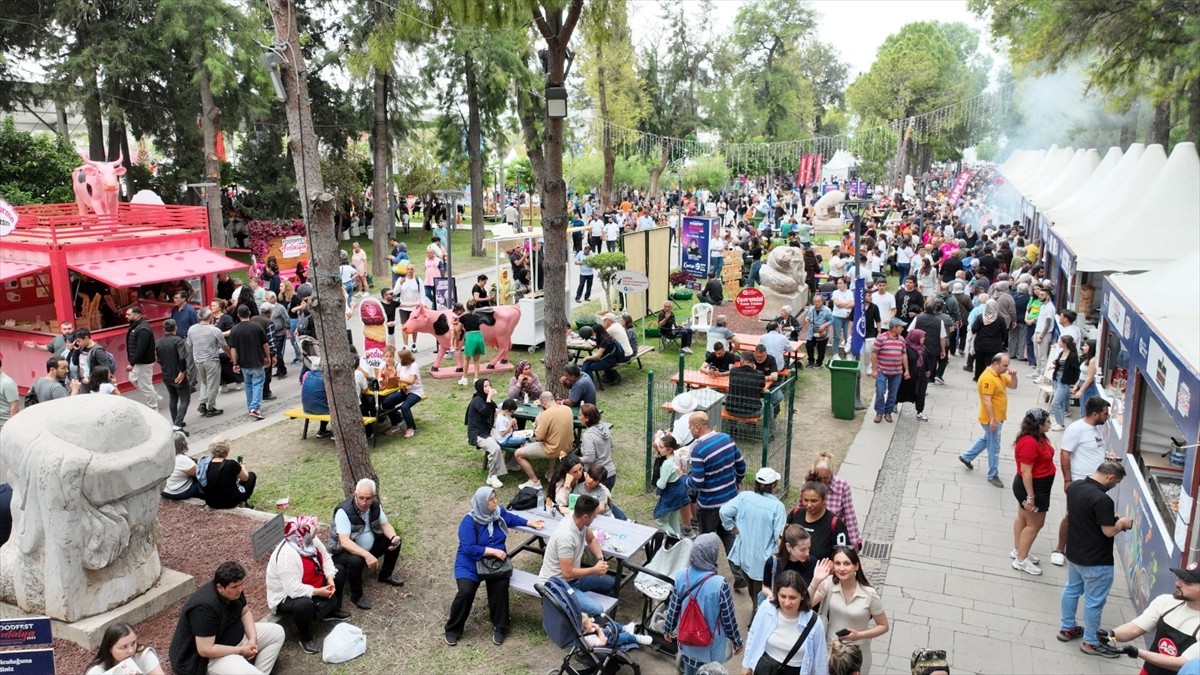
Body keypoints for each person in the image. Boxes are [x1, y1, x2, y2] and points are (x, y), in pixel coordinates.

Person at [1058, 462, 1134, 657]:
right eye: (1115, 482)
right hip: (1096, 560)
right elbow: (1108, 531)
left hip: (1074, 553)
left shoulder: (1075, 487)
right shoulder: (1102, 500)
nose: (1114, 486)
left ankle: (1067, 628)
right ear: (1110, 477)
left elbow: (1084, 515)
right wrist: (1122, 523)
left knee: (1071, 589)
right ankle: (1091, 642)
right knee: (1094, 602)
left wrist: (1110, 517)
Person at [168, 561, 285, 675]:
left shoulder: (235, 590)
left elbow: (245, 612)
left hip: (237, 641)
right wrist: (240, 650)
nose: (240, 589)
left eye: (241, 584)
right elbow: (205, 649)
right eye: (234, 587)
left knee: (277, 633)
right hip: (210, 658)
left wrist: (252, 639)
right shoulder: (204, 608)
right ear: (220, 587)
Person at [266, 515, 349, 655]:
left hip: (310, 581)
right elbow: (293, 590)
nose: (315, 534)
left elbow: (327, 558)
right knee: (303, 604)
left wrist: (330, 578)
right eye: (313, 531)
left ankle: (332, 611)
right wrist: (318, 592)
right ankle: (306, 638)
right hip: (286, 595)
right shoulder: (288, 556)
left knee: (339, 571)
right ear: (301, 534)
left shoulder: (309, 540)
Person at [663, 533, 744, 675]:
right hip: (711, 646)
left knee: (689, 670)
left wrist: (667, 628)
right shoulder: (719, 584)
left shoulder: (682, 575)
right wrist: (736, 640)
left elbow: (673, 607)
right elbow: (728, 619)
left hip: (687, 641)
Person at [1050, 396, 1117, 567]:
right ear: (1095, 414)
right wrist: (1068, 480)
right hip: (1080, 482)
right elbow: (1065, 454)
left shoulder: (1094, 429)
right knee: (1071, 515)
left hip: (1095, 484)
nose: (1107, 416)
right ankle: (1059, 549)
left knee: (1086, 518)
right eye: (1105, 413)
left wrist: (1106, 456)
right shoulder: (1076, 429)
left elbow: (1091, 451)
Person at [1095, 561, 1200, 667]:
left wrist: (1137, 652)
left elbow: (1182, 663)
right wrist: (1111, 636)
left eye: (1187, 582)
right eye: (1179, 578)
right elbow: (1134, 629)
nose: (1177, 584)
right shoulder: (1165, 602)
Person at [329, 478, 405, 611]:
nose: (364, 502)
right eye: (361, 498)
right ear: (355, 494)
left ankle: (385, 575)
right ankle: (356, 596)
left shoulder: (375, 506)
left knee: (394, 542)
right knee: (356, 560)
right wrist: (366, 555)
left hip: (369, 547)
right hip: (342, 552)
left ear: (373, 497)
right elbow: (345, 542)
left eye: (368, 498)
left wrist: (394, 537)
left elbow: (385, 525)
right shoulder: (344, 512)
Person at [810, 547, 888, 674]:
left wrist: (859, 635)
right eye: (837, 563)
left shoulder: (869, 594)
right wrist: (815, 580)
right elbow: (805, 605)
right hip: (831, 651)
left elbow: (883, 626)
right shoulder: (829, 584)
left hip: (857, 653)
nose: (841, 568)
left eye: (847, 563)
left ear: (856, 566)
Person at [537, 494, 616, 618]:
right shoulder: (566, 537)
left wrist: (600, 559)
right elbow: (567, 573)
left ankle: (581, 606)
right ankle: (578, 618)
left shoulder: (579, 522)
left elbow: (591, 540)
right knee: (597, 609)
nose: (595, 517)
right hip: (558, 585)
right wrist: (595, 570)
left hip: (573, 579)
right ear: (585, 516)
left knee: (611, 583)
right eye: (594, 515)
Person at [741, 570, 829, 675]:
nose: (787, 603)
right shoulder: (767, 608)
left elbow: (820, 660)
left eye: (792, 598)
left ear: (802, 596)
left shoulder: (814, 623)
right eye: (783, 596)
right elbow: (753, 634)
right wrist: (746, 665)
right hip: (765, 668)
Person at [720, 467, 788, 603]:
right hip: (763, 561)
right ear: (773, 486)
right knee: (761, 594)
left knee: (752, 589)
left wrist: (732, 527)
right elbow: (778, 536)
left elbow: (724, 511)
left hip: (744, 554)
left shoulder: (744, 497)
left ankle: (755, 611)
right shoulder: (777, 507)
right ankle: (756, 619)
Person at [959, 353, 1018, 488]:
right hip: (991, 419)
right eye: (1005, 365)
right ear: (995, 364)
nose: (1007, 368)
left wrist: (1013, 376)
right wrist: (992, 420)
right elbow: (987, 400)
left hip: (997, 418)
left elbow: (1013, 386)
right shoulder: (987, 378)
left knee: (987, 439)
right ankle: (993, 475)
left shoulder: (999, 375)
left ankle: (966, 457)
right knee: (994, 447)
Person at [1010, 408, 1056, 576]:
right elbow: (1026, 472)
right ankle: (1021, 561)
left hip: (1036, 487)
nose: (1050, 424)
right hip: (1034, 489)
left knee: (1023, 517)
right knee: (1035, 524)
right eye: (1048, 421)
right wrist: (1031, 497)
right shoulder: (1029, 443)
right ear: (1039, 425)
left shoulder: (1039, 437)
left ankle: (1018, 550)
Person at [514, 392, 574, 490]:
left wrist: (538, 422)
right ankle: (551, 472)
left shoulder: (546, 414)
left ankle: (534, 482)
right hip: (567, 447)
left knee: (518, 454)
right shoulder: (567, 409)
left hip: (552, 449)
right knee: (552, 440)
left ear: (543, 402)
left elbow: (538, 437)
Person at [788, 481, 851, 565]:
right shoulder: (795, 514)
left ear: (824, 499)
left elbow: (844, 556)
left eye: (814, 501)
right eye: (806, 500)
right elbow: (781, 539)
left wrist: (829, 567)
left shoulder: (835, 524)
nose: (809, 505)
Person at [808, 453, 862, 550]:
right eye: (820, 478)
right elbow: (801, 510)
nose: (823, 481)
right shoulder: (808, 485)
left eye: (826, 478)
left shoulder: (842, 486)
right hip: (815, 534)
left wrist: (854, 541)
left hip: (835, 535)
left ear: (832, 473)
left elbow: (849, 515)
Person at [228, 305, 270, 420]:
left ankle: (250, 406)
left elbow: (233, 349)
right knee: (258, 383)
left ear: (238, 315)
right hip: (257, 360)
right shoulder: (256, 327)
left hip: (243, 362)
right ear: (249, 313)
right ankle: (254, 408)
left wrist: (235, 363)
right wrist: (268, 357)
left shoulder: (235, 329)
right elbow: (265, 344)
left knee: (248, 384)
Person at [465, 379, 507, 489]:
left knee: (507, 438)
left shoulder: (487, 400)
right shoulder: (477, 400)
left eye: (489, 385)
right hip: (478, 433)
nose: (488, 387)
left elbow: (496, 411)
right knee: (496, 448)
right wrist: (489, 397)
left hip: (488, 431)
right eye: (485, 386)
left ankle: (507, 465)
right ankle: (493, 476)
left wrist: (507, 411)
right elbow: (486, 412)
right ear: (480, 388)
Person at [156, 319, 191, 433]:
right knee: (185, 398)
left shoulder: (158, 342)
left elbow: (158, 359)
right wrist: (182, 371)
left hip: (166, 374)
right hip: (177, 373)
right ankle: (177, 424)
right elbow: (182, 357)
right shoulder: (178, 341)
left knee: (173, 398)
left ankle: (176, 421)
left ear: (163, 329)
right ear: (175, 328)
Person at [88, 622, 165, 674]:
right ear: (110, 649)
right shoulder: (97, 672)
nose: (131, 650)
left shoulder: (144, 656)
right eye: (124, 647)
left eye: (133, 643)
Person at [871, 319, 909, 424]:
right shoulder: (881, 338)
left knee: (893, 393)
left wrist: (907, 370)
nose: (903, 328)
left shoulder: (902, 339)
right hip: (882, 370)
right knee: (880, 391)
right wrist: (874, 369)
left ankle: (888, 412)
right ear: (894, 327)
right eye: (901, 327)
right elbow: (874, 354)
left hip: (897, 371)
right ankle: (879, 412)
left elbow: (904, 354)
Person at [202, 438, 256, 510]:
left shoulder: (205, 463)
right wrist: (242, 466)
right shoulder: (231, 464)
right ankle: (243, 503)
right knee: (251, 475)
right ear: (226, 450)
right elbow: (245, 478)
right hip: (230, 502)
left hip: (211, 501)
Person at [381, 348, 424, 437]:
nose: (397, 360)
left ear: (404, 358)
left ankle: (410, 428)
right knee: (386, 403)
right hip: (404, 391)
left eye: (398, 358)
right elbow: (398, 378)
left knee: (404, 407)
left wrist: (399, 379)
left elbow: (411, 380)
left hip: (415, 392)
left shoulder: (414, 366)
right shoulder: (400, 366)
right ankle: (395, 425)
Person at [125, 305, 161, 410]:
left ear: (136, 315)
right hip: (138, 362)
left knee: (145, 385)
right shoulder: (136, 326)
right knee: (133, 379)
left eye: (128, 314)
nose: (126, 316)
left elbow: (141, 348)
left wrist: (132, 364)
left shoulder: (142, 329)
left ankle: (153, 407)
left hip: (144, 362)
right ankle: (154, 396)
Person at [652, 434, 689, 536]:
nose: (658, 449)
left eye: (661, 447)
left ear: (669, 449)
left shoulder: (667, 464)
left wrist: (657, 484)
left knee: (660, 519)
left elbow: (662, 484)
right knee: (674, 521)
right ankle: (678, 544)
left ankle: (676, 538)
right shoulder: (675, 458)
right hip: (679, 490)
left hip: (671, 493)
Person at [579, 404, 616, 488]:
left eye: (580, 415)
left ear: (587, 418)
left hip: (596, 477)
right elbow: (611, 444)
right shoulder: (604, 427)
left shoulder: (588, 435)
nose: (579, 417)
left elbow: (589, 458)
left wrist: (575, 459)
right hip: (611, 473)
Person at [971, 299, 1008, 382]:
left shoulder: (980, 317)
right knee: (992, 362)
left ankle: (978, 377)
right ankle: (990, 378)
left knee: (979, 362)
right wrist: (1003, 341)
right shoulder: (1000, 319)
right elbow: (1004, 333)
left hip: (980, 344)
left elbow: (974, 329)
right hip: (995, 345)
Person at [1049, 335, 1080, 431]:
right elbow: (1060, 364)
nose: (1059, 343)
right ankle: (1059, 421)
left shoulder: (1072, 356)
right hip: (1057, 378)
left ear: (1065, 343)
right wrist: (1054, 366)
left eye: (1061, 341)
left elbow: (1076, 370)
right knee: (1060, 403)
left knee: (1055, 403)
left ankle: (1061, 424)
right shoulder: (1062, 353)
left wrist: (1075, 382)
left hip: (1064, 381)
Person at [162, 431, 201, 501]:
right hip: (178, 492)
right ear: (183, 444)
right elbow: (198, 473)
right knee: (204, 483)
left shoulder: (165, 456)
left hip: (165, 490)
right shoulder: (182, 459)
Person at [803, 295, 833, 368]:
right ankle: (811, 361)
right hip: (812, 331)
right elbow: (808, 316)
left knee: (821, 348)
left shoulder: (827, 310)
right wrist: (807, 318)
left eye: (818, 301)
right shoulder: (811, 309)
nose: (817, 303)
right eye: (815, 302)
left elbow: (832, 320)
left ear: (822, 301)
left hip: (822, 331)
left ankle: (819, 363)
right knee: (809, 345)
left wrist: (824, 325)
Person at [830, 278, 854, 355]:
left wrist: (842, 304)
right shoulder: (835, 292)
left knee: (848, 336)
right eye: (838, 283)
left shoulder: (850, 293)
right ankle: (835, 353)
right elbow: (837, 304)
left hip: (847, 318)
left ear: (845, 284)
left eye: (841, 283)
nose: (839, 284)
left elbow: (852, 304)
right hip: (837, 316)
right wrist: (847, 303)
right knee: (836, 336)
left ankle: (848, 353)